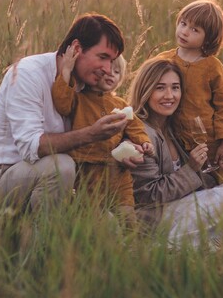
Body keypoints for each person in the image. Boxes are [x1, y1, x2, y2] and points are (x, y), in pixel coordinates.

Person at [0, 13, 133, 212]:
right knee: (61, 166)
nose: (108, 69)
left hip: (62, 184)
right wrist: (91, 134)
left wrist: (126, 146)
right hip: (0, 182)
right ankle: (43, 242)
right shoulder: (28, 73)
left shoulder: (87, 86)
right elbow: (30, 147)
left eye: (112, 61)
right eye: (103, 57)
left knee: (108, 226)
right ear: (76, 48)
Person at [128, 56, 223, 247]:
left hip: (176, 208)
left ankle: (211, 245)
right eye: (160, 88)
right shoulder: (140, 133)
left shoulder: (173, 127)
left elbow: (213, 148)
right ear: (145, 91)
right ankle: (166, 248)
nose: (169, 95)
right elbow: (148, 195)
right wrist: (190, 169)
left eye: (175, 87)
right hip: (152, 218)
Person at [51, 49, 152, 222]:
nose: (111, 74)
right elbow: (62, 103)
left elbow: (135, 126)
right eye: (108, 70)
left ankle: (132, 248)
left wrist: (144, 142)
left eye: (117, 72)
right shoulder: (79, 99)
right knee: (94, 216)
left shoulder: (120, 104)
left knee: (127, 215)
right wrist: (66, 72)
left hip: (118, 171)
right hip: (87, 169)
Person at [160, 0, 223, 182]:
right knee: (185, 175)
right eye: (183, 23)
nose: (184, 32)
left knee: (219, 178)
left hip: (208, 139)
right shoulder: (164, 60)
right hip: (175, 137)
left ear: (209, 38)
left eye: (195, 30)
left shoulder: (212, 67)